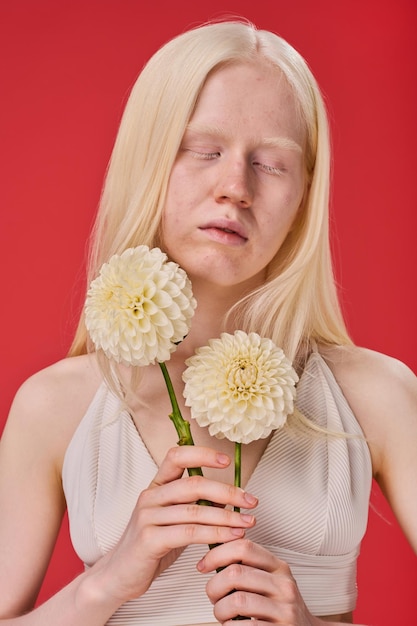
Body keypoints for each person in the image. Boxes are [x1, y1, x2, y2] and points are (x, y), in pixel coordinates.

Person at [0, 18, 416, 626]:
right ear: (148, 159)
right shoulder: (53, 407)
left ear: (306, 193)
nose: (234, 187)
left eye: (271, 163)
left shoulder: (377, 396)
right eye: (204, 151)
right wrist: (106, 585)